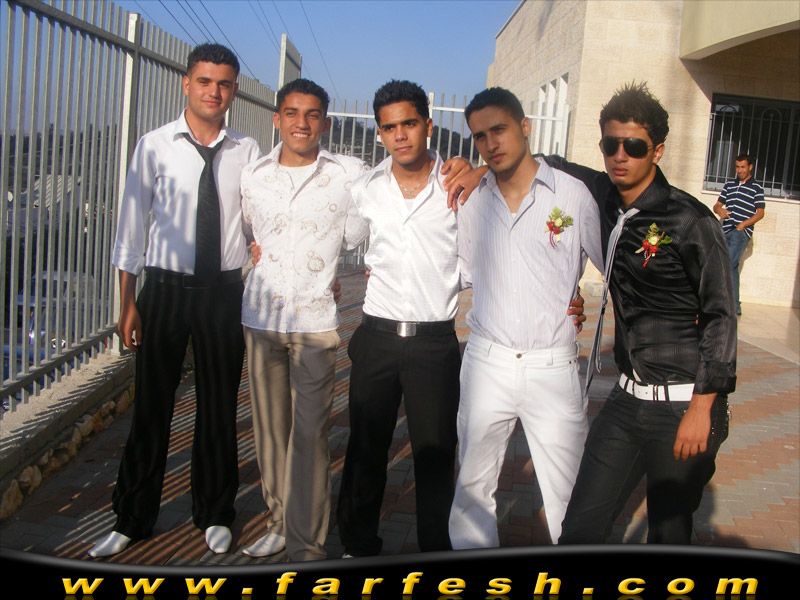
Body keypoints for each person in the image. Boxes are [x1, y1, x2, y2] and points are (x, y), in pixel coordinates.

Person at [89, 43, 260, 558]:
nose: (214, 91)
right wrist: (127, 302)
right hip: (163, 291)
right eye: (204, 81)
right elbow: (131, 227)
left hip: (222, 293)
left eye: (224, 83)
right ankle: (132, 517)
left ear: (234, 90)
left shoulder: (247, 150)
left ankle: (215, 512)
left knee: (218, 406)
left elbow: (261, 217)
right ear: (186, 83)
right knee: (152, 407)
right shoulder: (155, 146)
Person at [554, 82, 736, 544]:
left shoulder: (690, 221)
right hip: (626, 399)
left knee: (668, 535)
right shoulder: (604, 196)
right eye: (610, 145)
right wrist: (479, 171)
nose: (620, 156)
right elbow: (546, 165)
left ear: (657, 151)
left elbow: (721, 316)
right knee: (580, 529)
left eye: (634, 146)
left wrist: (702, 408)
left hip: (683, 404)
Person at [448, 88, 603, 548]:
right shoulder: (473, 203)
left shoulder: (573, 196)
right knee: (472, 488)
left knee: (570, 495)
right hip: (487, 362)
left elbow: (612, 266)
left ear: (525, 126)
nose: (490, 143)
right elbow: (462, 271)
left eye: (499, 129)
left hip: (551, 365)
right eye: (480, 136)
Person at [238, 79, 368, 561]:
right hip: (261, 318)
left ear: (325, 123)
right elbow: (249, 234)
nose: (301, 123)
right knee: (271, 431)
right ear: (277, 119)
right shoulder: (253, 175)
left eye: (312, 114)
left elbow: (358, 232)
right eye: (292, 113)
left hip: (315, 322)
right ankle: (278, 522)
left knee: (310, 433)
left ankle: (306, 546)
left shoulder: (348, 174)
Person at [334, 80, 463, 557]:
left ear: (428, 125)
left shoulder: (458, 186)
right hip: (378, 336)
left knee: (435, 453)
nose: (400, 135)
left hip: (434, 342)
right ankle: (356, 545)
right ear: (380, 133)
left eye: (409, 123)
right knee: (365, 448)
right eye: (390, 127)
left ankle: (434, 551)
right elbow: (339, 238)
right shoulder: (366, 189)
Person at [713, 154, 765, 316]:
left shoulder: (757, 188)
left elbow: (760, 213)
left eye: (743, 167)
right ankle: (734, 306)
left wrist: (743, 225)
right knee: (732, 266)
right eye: (737, 167)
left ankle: (721, 303)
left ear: (750, 167)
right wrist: (720, 210)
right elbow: (717, 205)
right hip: (725, 229)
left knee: (728, 263)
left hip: (740, 232)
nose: (739, 170)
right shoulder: (729, 184)